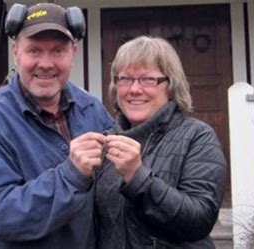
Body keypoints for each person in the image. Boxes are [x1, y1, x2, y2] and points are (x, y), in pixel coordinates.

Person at [0, 3, 112, 248]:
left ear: (73, 52)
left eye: (58, 51)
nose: (46, 63)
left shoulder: (91, 109)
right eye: (34, 51)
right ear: (15, 52)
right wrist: (71, 176)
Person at [94, 36, 227, 248]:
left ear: (171, 85)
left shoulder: (197, 136)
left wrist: (138, 177)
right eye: (125, 79)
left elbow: (200, 221)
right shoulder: (104, 143)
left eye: (148, 79)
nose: (135, 89)